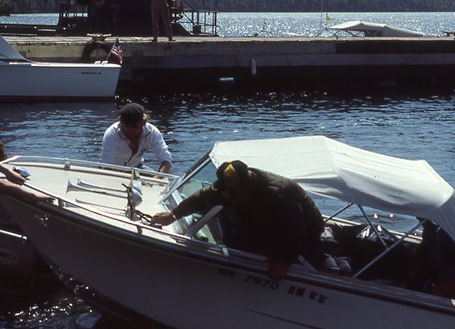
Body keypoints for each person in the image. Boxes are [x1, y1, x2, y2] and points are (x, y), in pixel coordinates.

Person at [152, 159, 325, 280]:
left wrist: (285, 262)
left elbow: (297, 231)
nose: (228, 196)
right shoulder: (230, 189)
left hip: (305, 237)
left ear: (247, 185)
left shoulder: (275, 195)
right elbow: (202, 197)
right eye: (226, 191)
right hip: (267, 224)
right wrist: (173, 214)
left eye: (234, 192)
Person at [100, 103, 172, 173]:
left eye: (134, 126)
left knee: (164, 181)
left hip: (136, 168)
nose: (130, 130)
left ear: (142, 123)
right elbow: (107, 166)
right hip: (112, 170)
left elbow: (166, 160)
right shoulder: (111, 134)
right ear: (121, 123)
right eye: (126, 125)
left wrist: (157, 179)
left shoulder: (152, 132)